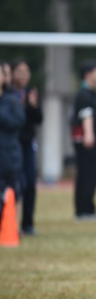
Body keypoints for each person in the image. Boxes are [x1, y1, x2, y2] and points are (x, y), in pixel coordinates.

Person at [10, 61, 43, 235]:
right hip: (11, 145)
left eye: (26, 71)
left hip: (27, 144)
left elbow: (39, 119)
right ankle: (9, 223)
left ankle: (28, 224)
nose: (23, 75)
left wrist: (33, 106)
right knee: (16, 183)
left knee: (30, 183)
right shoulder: (7, 95)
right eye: (19, 71)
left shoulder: (31, 93)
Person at [71, 62, 96, 221]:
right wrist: (89, 135)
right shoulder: (85, 95)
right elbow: (86, 115)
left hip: (90, 141)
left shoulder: (90, 93)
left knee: (89, 174)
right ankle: (84, 211)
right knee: (88, 175)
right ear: (88, 74)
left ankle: (87, 209)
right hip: (86, 141)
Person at [0, 63, 25, 229]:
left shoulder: (11, 100)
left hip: (8, 155)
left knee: (12, 191)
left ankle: (12, 228)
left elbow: (18, 122)